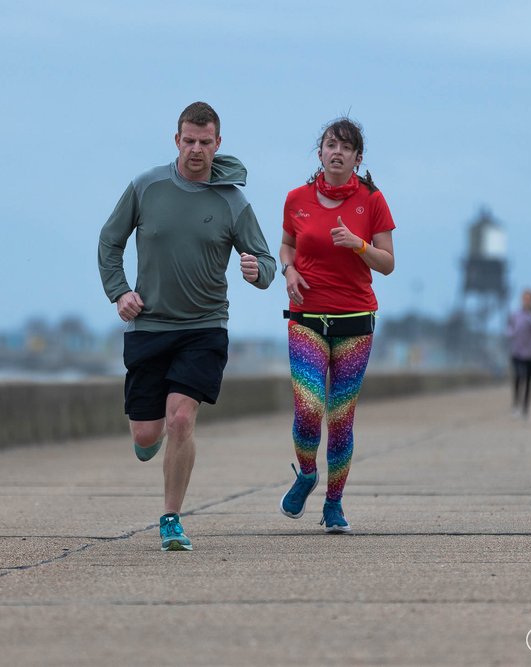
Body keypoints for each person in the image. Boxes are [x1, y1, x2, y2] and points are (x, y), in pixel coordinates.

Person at [98, 102, 276, 551]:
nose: (197, 150)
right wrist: (119, 291)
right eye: (189, 141)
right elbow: (110, 241)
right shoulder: (146, 186)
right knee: (146, 433)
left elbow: (267, 261)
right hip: (149, 327)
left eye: (206, 142)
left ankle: (171, 518)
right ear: (176, 140)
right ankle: (147, 439)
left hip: (204, 327)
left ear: (218, 144)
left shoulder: (233, 200)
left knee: (181, 419)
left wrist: (258, 272)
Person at [277, 117, 395, 534]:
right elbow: (288, 244)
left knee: (340, 418)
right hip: (306, 318)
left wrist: (359, 245)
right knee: (309, 409)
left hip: (355, 323)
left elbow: (388, 264)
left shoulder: (373, 200)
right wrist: (288, 271)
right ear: (321, 152)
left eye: (346, 147)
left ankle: (334, 503)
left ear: (358, 158)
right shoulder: (296, 198)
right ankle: (307, 473)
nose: (337, 152)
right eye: (331, 144)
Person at [505, 288, 531, 419]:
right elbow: (509, 329)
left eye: (529, 299)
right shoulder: (515, 315)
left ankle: (525, 407)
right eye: (525, 298)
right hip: (517, 351)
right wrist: (512, 333)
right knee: (518, 376)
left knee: (529, 381)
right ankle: (516, 404)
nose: (527, 301)